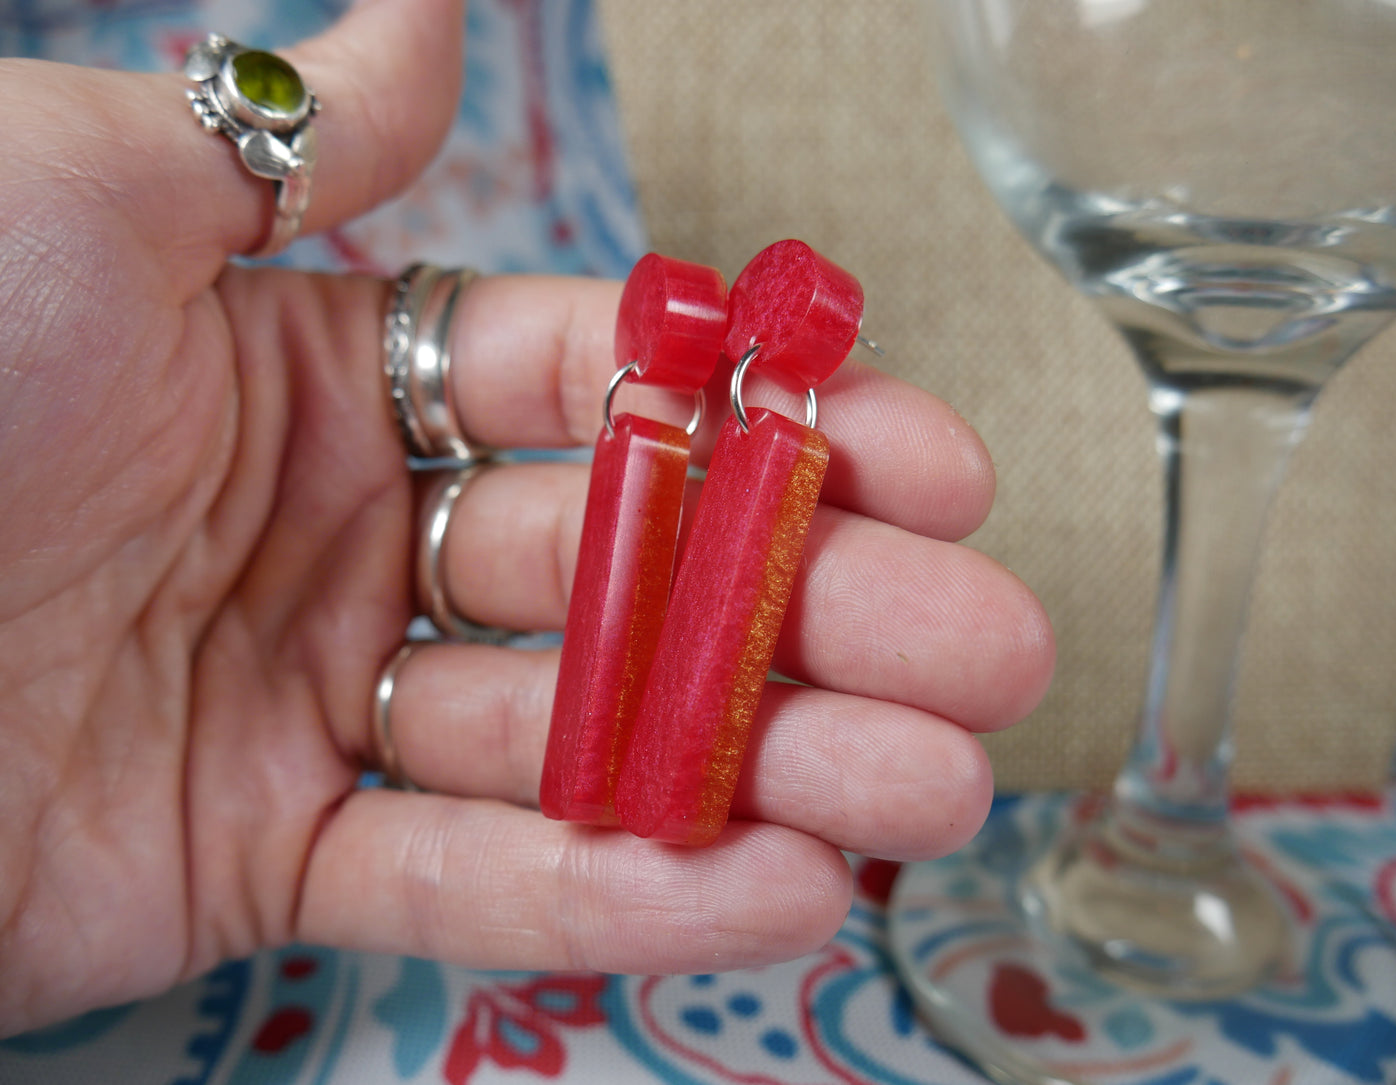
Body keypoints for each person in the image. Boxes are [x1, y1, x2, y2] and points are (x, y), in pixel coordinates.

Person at [0, 0, 1054, 1039]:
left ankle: (626, 789)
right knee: (620, 706)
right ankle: (599, 784)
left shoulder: (752, 449)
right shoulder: (653, 438)